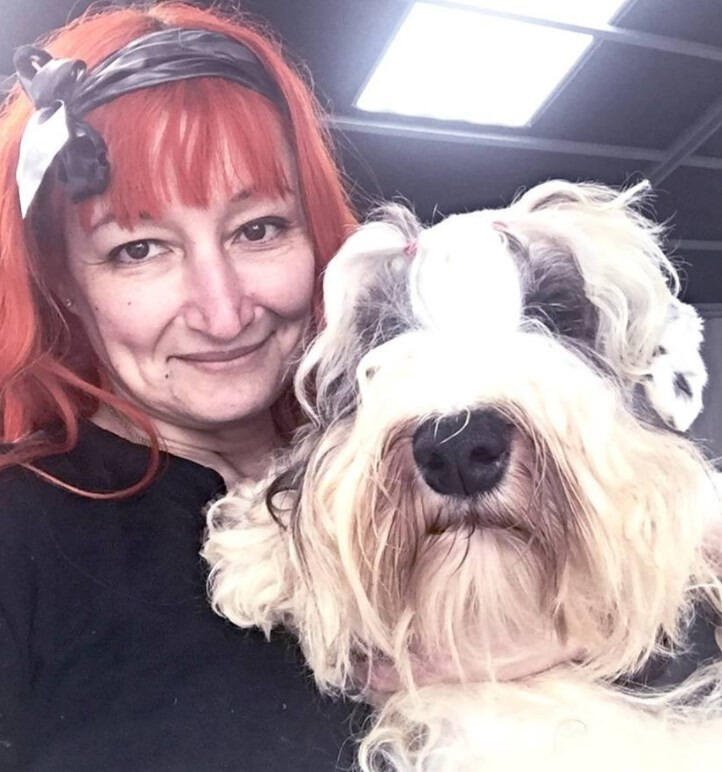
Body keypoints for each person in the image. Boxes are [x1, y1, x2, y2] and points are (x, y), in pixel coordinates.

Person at [0, 3, 361, 770]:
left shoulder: (409, 464)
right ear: (63, 284)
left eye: (259, 229)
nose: (223, 313)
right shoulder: (14, 531)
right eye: (138, 249)